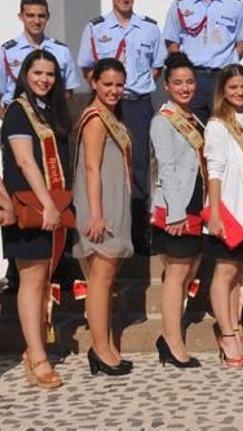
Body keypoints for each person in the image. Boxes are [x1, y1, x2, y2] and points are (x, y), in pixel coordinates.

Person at [77, 0, 167, 255]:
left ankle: (139, 234)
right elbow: (88, 66)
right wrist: (108, 93)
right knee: (106, 166)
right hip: (107, 104)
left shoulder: (149, 28)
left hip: (137, 103)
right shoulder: (96, 28)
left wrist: (136, 87)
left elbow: (157, 66)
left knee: (139, 168)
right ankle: (107, 220)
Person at [2, 49, 72, 389]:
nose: (44, 79)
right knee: (31, 280)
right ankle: (36, 355)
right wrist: (47, 205)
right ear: (24, 75)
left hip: (51, 206)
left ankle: (37, 347)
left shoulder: (50, 111)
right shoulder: (18, 111)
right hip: (29, 207)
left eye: (50, 74)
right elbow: (25, 162)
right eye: (37, 73)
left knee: (42, 279)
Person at [71, 58, 134, 376]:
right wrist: (95, 214)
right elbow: (91, 167)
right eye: (107, 84)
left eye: (119, 85)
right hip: (100, 205)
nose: (114, 90)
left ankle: (107, 345)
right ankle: (100, 348)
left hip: (112, 200)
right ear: (93, 82)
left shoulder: (110, 115)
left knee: (106, 280)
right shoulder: (96, 118)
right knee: (100, 279)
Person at [204, 64, 243, 367]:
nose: (239, 92)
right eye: (232, 88)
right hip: (228, 209)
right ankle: (226, 335)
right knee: (224, 274)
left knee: (237, 276)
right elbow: (213, 172)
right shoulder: (217, 125)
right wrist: (214, 214)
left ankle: (233, 330)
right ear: (222, 92)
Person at [149, 52, 205, 368]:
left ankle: (168, 335)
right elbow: (166, 168)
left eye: (189, 82)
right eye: (178, 83)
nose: (184, 88)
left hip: (194, 203)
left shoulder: (192, 117)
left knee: (186, 272)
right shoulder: (163, 120)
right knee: (177, 273)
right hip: (176, 207)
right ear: (167, 85)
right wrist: (175, 213)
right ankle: (172, 341)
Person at [163, 0, 243, 124]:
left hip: (224, 77)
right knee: (193, 131)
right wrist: (183, 71)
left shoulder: (234, 4)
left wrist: (231, 62)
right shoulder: (181, 4)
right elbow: (172, 42)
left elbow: (242, 41)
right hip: (193, 79)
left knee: (226, 128)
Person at [1, 0, 80, 108]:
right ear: (21, 16)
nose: (36, 21)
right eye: (30, 15)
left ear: (48, 17)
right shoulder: (7, 52)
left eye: (41, 16)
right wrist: (8, 119)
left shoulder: (62, 51)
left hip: (50, 117)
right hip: (18, 117)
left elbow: (68, 93)